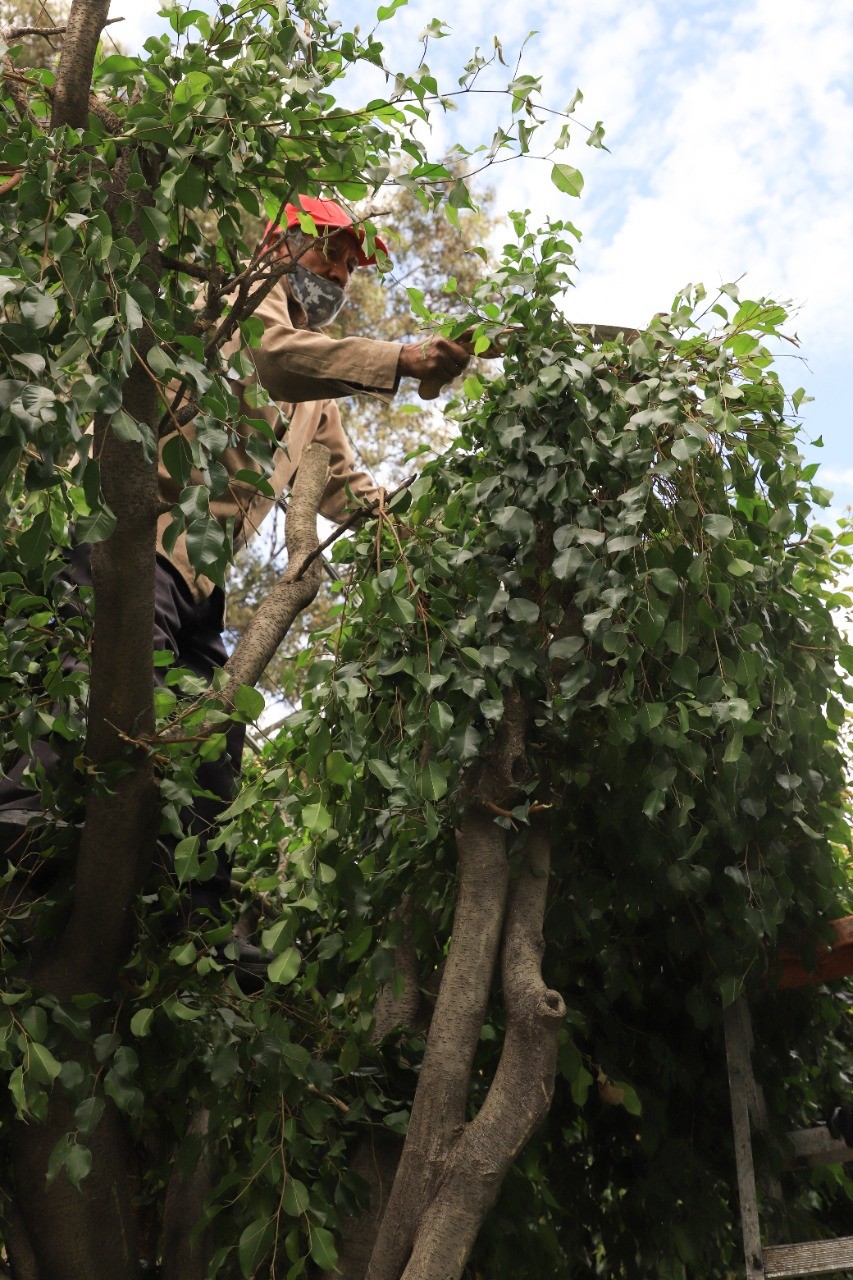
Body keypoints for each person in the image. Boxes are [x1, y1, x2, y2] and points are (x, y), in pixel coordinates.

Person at [0, 197, 471, 969]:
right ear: (276, 241)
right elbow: (274, 358)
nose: (339, 274)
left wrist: (407, 533)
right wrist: (401, 360)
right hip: (128, 533)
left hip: (197, 581)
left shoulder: (318, 388)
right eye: (328, 251)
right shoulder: (227, 298)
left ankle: (197, 918)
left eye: (352, 265)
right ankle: (21, 826)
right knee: (99, 681)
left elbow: (345, 480)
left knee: (216, 734)